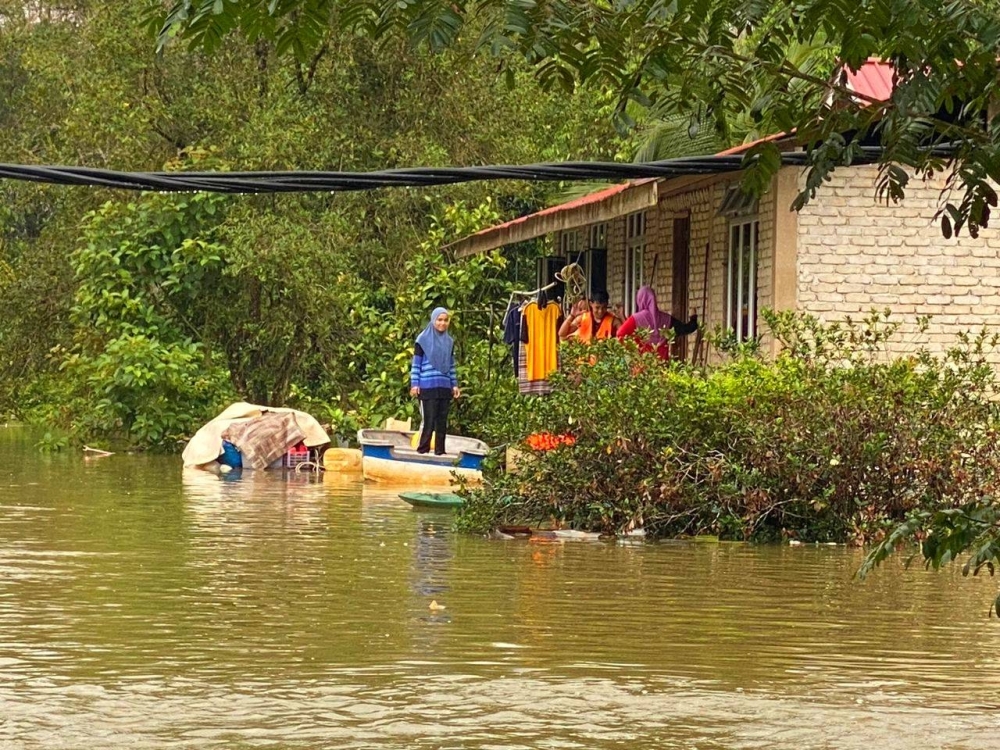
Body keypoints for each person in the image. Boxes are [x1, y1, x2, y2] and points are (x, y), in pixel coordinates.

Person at [410, 307, 460, 455]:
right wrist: (415, 384)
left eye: (445, 320)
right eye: (439, 320)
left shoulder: (449, 342)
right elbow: (416, 364)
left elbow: (451, 365)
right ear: (433, 320)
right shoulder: (422, 340)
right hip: (427, 386)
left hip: (444, 387)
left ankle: (440, 452)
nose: (442, 323)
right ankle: (422, 451)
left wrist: (454, 385)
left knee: (442, 423)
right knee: (429, 421)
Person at [616, 285, 698, 361]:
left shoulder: (636, 319)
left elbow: (620, 334)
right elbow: (686, 328)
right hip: (661, 366)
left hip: (642, 366)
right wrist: (693, 317)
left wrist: (632, 348)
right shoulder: (666, 319)